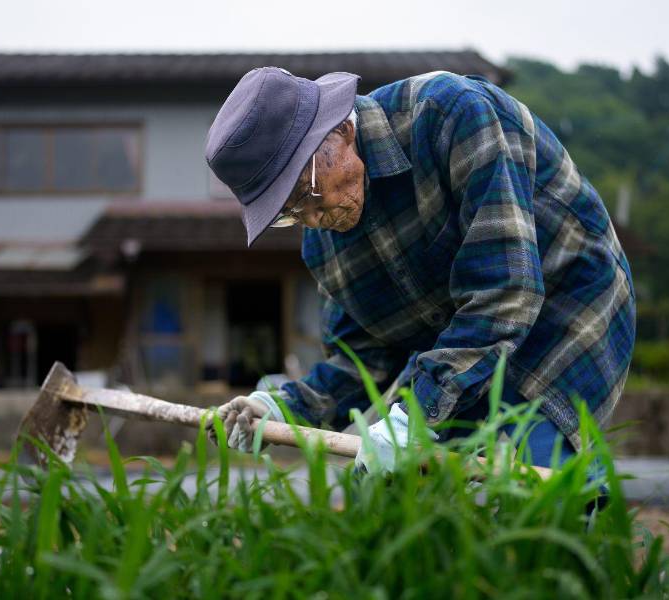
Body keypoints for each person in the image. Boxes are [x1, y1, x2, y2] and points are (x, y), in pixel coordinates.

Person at [204, 67, 635, 472]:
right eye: (289, 211)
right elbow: (362, 355)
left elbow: (504, 291)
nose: (313, 218)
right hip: (460, 343)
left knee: (535, 471)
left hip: (565, 302)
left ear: (342, 130)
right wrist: (282, 407)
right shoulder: (323, 242)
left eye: (308, 191)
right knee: (387, 492)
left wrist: (416, 414)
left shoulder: (451, 114)